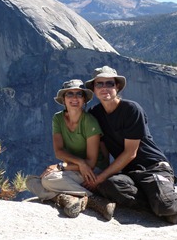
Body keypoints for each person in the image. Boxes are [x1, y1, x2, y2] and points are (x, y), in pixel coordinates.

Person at [84, 65, 177, 224]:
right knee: (108, 186)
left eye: (109, 83)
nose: (104, 88)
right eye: (99, 84)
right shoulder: (95, 114)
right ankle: (160, 207)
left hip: (153, 167)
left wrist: (99, 177)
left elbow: (130, 153)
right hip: (130, 173)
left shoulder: (131, 109)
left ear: (117, 86)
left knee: (164, 204)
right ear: (93, 88)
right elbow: (102, 148)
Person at [26, 79, 116, 220]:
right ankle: (68, 198)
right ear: (63, 99)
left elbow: (91, 163)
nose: (74, 98)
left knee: (48, 180)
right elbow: (59, 151)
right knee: (32, 182)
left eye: (79, 94)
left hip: (93, 171)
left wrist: (61, 166)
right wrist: (79, 163)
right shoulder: (58, 119)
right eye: (70, 94)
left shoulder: (89, 121)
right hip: (78, 168)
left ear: (84, 99)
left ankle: (94, 200)